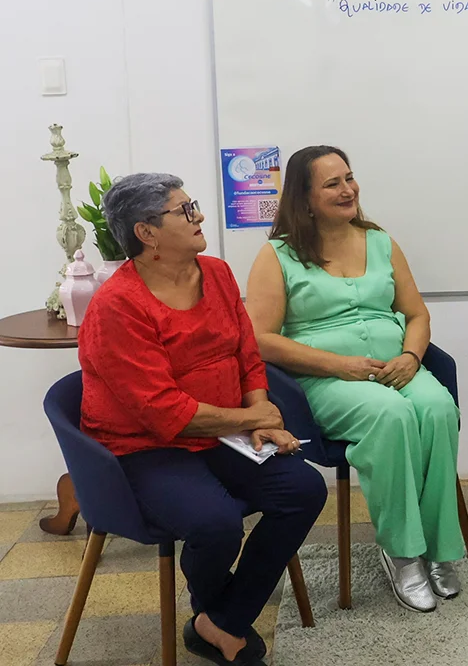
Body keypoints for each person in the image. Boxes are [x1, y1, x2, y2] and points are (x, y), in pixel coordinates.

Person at [78, 173, 326, 666]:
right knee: (215, 522)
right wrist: (251, 416)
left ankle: (219, 621)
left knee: (303, 490)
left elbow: (246, 354)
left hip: (222, 433)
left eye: (194, 206)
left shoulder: (215, 272)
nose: (200, 217)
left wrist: (258, 416)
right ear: (146, 233)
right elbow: (165, 411)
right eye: (185, 210)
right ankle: (219, 618)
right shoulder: (116, 306)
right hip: (146, 446)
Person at [245, 146, 463, 614]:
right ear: (304, 198)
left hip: (395, 365)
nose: (348, 190)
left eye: (349, 178)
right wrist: (337, 364)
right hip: (325, 381)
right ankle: (402, 551)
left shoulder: (380, 241)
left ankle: (440, 547)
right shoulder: (277, 255)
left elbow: (417, 313)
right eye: (332, 184)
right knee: (391, 416)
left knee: (439, 407)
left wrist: (410, 356)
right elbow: (260, 339)